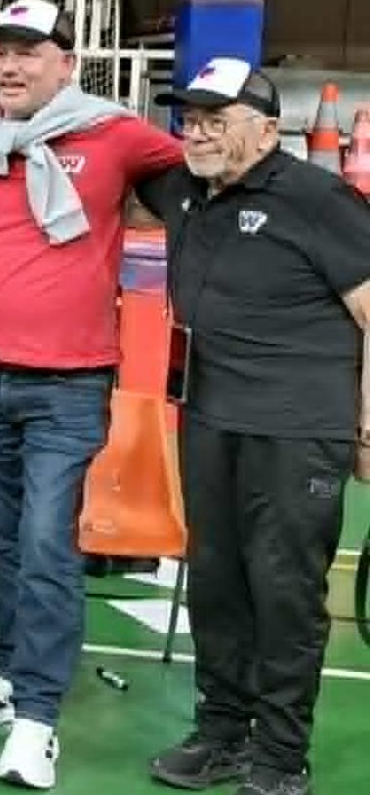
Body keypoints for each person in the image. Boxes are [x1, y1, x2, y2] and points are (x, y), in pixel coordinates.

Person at [0, 0, 184, 790]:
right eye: (1, 51)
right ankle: (6, 672)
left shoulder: (116, 134)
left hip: (67, 386)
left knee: (44, 543)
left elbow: (202, 175)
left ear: (68, 64)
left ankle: (37, 718)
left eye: (29, 52)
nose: (11, 65)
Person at [138, 60, 370, 795]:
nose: (198, 133)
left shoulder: (317, 200)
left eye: (218, 120)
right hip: (209, 419)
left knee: (284, 592)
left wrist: (369, 427)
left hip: (297, 430)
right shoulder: (183, 189)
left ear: (268, 131)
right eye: (191, 119)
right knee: (215, 584)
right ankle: (222, 732)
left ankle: (280, 756)